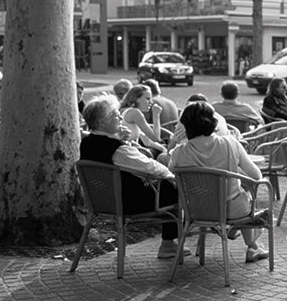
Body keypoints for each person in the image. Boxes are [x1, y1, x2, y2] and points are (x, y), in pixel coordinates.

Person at [80, 97, 186, 259]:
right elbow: (151, 167)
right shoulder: (118, 150)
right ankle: (169, 243)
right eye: (116, 115)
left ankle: (170, 242)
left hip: (101, 201)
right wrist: (171, 176)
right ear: (101, 122)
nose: (121, 118)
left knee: (167, 184)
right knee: (172, 186)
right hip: (128, 202)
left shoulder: (87, 143)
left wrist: (121, 139)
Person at [167, 102, 269, 262]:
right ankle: (251, 245)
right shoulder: (230, 143)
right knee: (244, 195)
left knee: (239, 196)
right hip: (232, 210)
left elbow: (171, 172)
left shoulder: (180, 152)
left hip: (196, 211)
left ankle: (238, 234)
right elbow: (256, 176)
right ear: (213, 121)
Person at [119, 85, 169, 163]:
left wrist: (163, 149)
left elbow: (146, 141)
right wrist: (156, 115)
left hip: (124, 151)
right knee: (161, 157)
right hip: (126, 155)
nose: (151, 102)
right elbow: (156, 138)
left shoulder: (127, 110)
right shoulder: (135, 113)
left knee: (160, 150)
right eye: (148, 98)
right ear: (136, 99)